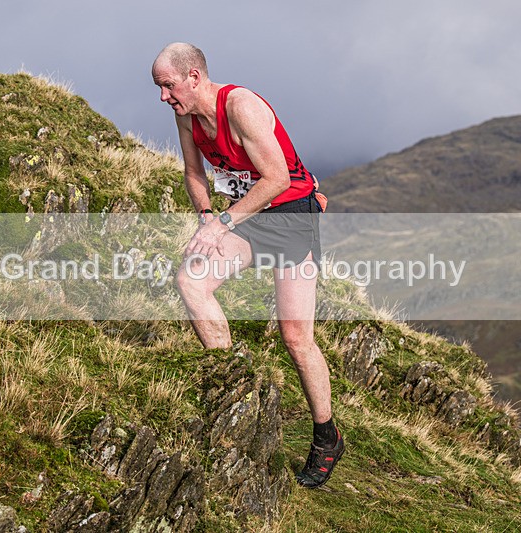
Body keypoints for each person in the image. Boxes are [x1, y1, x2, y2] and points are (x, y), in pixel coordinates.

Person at [152, 42, 344, 489]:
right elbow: (193, 172)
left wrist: (220, 224)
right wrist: (205, 218)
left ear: (194, 77)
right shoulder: (185, 113)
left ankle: (326, 436)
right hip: (249, 214)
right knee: (192, 281)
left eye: (168, 85)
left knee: (296, 338)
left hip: (291, 216)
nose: (163, 96)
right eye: (159, 88)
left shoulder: (242, 106)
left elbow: (276, 178)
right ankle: (228, 384)